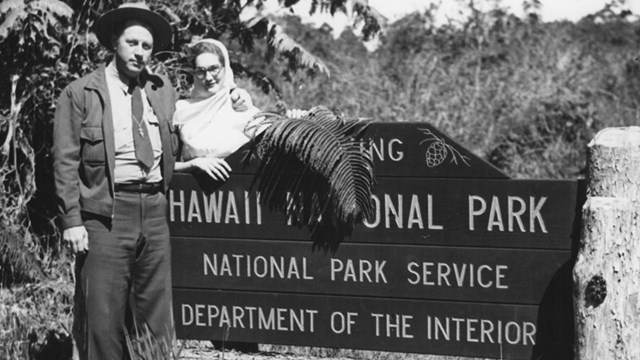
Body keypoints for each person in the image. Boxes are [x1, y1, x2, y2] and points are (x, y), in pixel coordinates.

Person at [52, 3, 250, 359]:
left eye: (146, 46)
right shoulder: (81, 93)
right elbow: (65, 161)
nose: (140, 52)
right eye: (132, 42)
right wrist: (72, 221)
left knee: (155, 321)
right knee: (104, 319)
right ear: (115, 42)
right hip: (106, 216)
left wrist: (235, 102)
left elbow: (191, 124)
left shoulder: (160, 90)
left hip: (156, 212)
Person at [173, 38, 260, 181]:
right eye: (200, 71)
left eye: (214, 69)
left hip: (238, 194)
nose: (208, 77)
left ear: (225, 68)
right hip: (193, 194)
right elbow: (162, 165)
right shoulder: (181, 109)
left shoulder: (241, 106)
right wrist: (192, 164)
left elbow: (272, 142)